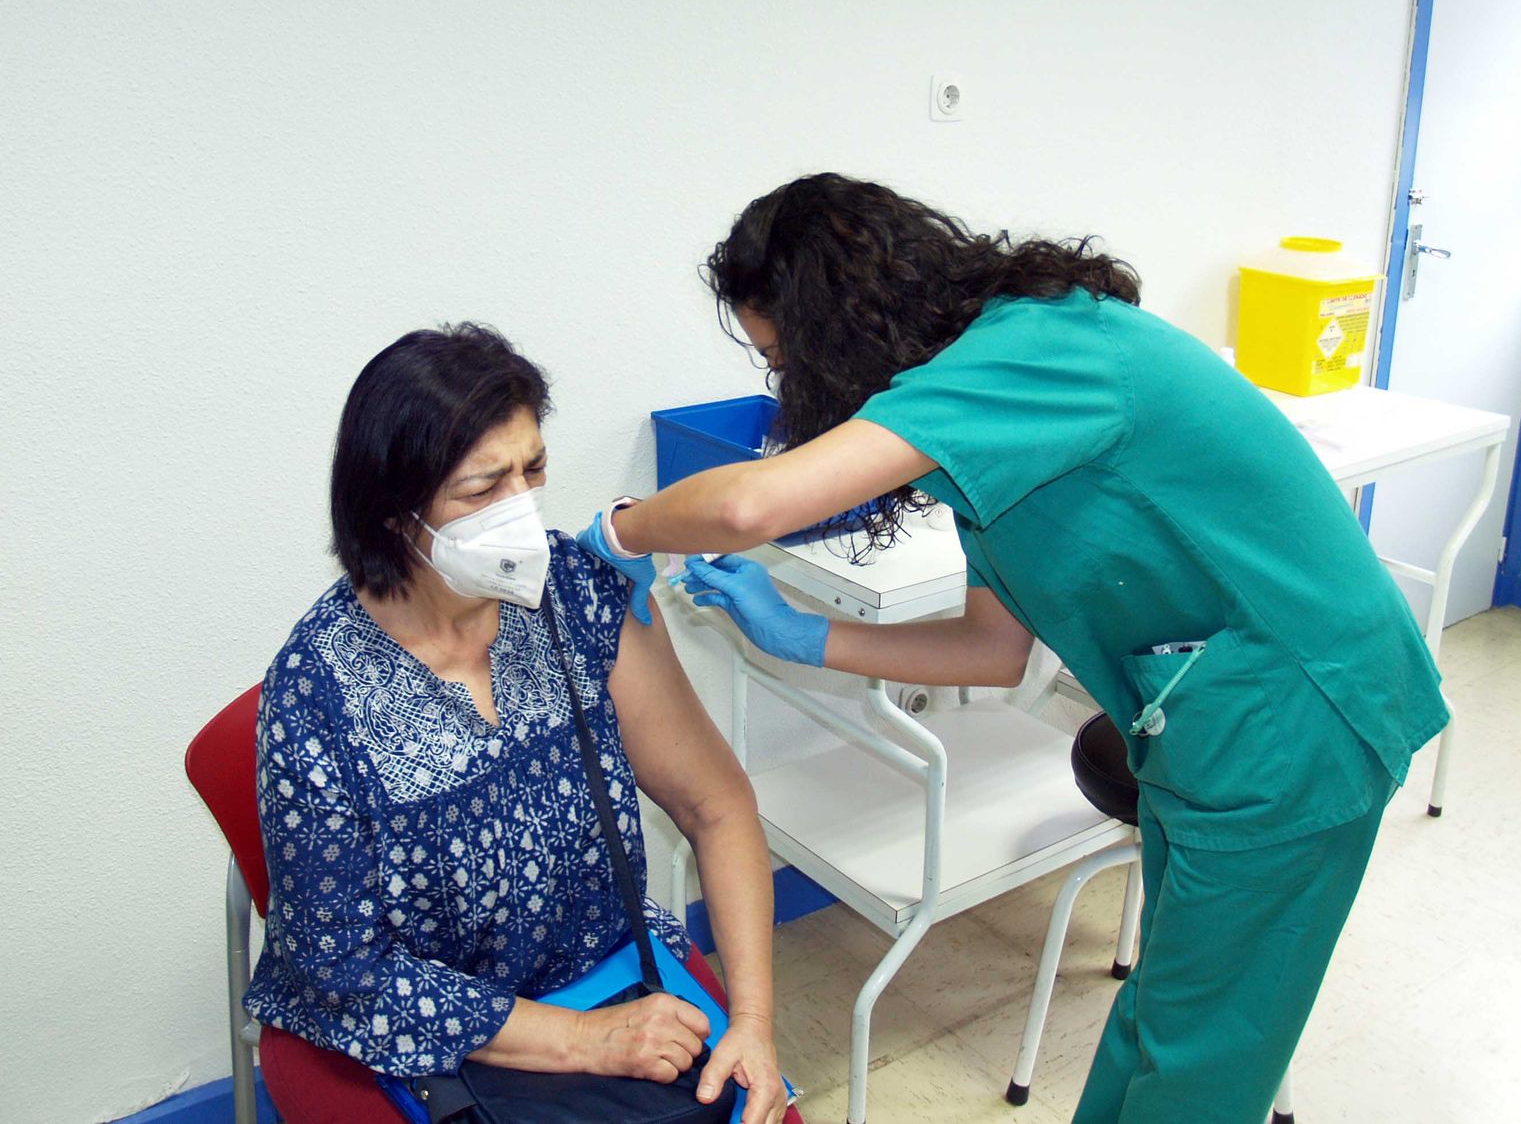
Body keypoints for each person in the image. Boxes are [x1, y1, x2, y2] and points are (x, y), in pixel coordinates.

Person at [578, 174, 1450, 1124]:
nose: (789, 385)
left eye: (785, 354)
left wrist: (626, 528)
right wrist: (800, 635)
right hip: (1209, 719)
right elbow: (996, 649)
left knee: (1204, 1062)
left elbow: (751, 503)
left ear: (838, 317)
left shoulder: (1039, 349)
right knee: (1164, 1016)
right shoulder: (976, 409)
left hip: (1298, 717)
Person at [244, 323, 790, 1124]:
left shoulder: (575, 594)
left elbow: (717, 805)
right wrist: (584, 1041)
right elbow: (341, 969)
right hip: (444, 1041)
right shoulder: (316, 690)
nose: (521, 513)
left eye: (532, 471)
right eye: (481, 488)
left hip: (613, 975)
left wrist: (753, 1024)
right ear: (395, 512)